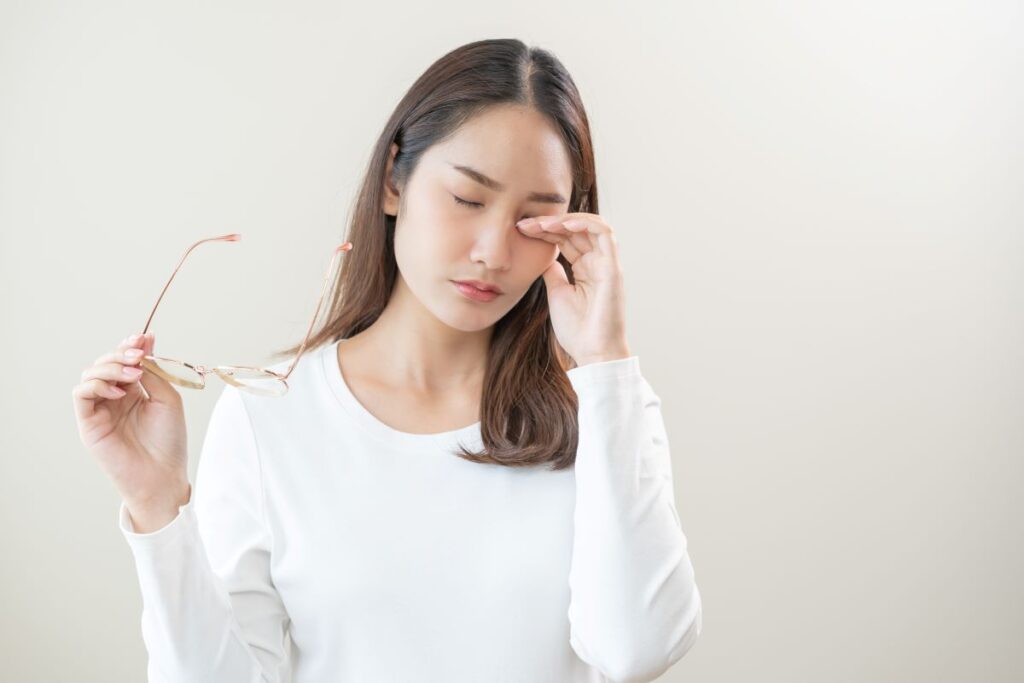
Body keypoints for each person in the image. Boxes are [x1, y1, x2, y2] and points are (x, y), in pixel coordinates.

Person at [71, 38, 702, 683]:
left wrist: (605, 364)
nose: (492, 250)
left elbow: (636, 651)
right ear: (395, 179)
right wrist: (157, 509)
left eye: (533, 219)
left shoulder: (603, 409)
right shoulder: (271, 419)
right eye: (468, 199)